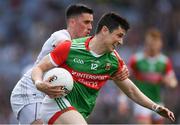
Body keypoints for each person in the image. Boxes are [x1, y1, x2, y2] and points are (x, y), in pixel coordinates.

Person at [31, 12, 175, 124]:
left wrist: (155, 107)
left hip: (80, 112)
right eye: (119, 35)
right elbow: (38, 68)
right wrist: (39, 84)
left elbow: (130, 90)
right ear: (105, 30)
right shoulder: (70, 47)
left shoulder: (113, 61)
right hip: (56, 103)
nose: (121, 41)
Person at [10, 4, 94, 124]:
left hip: (49, 98)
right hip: (31, 92)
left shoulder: (83, 47)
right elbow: (65, 46)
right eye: (86, 22)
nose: (90, 27)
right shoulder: (61, 36)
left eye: (91, 23)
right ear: (72, 22)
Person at [128, 28, 178, 124]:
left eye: (155, 42)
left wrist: (170, 82)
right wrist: (122, 100)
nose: (152, 45)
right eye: (150, 42)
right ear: (146, 43)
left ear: (160, 44)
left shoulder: (164, 61)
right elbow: (124, 78)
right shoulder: (136, 59)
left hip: (158, 102)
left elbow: (173, 81)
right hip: (141, 102)